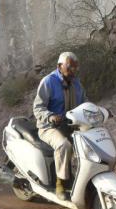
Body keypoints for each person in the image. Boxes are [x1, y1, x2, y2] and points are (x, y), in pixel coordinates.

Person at [33, 51, 88, 200]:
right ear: (60, 66)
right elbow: (38, 108)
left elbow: (85, 103)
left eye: (75, 68)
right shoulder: (48, 81)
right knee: (64, 145)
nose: (73, 71)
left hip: (71, 125)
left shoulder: (76, 83)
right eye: (70, 67)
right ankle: (61, 183)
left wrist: (97, 111)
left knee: (88, 143)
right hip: (49, 127)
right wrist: (51, 117)